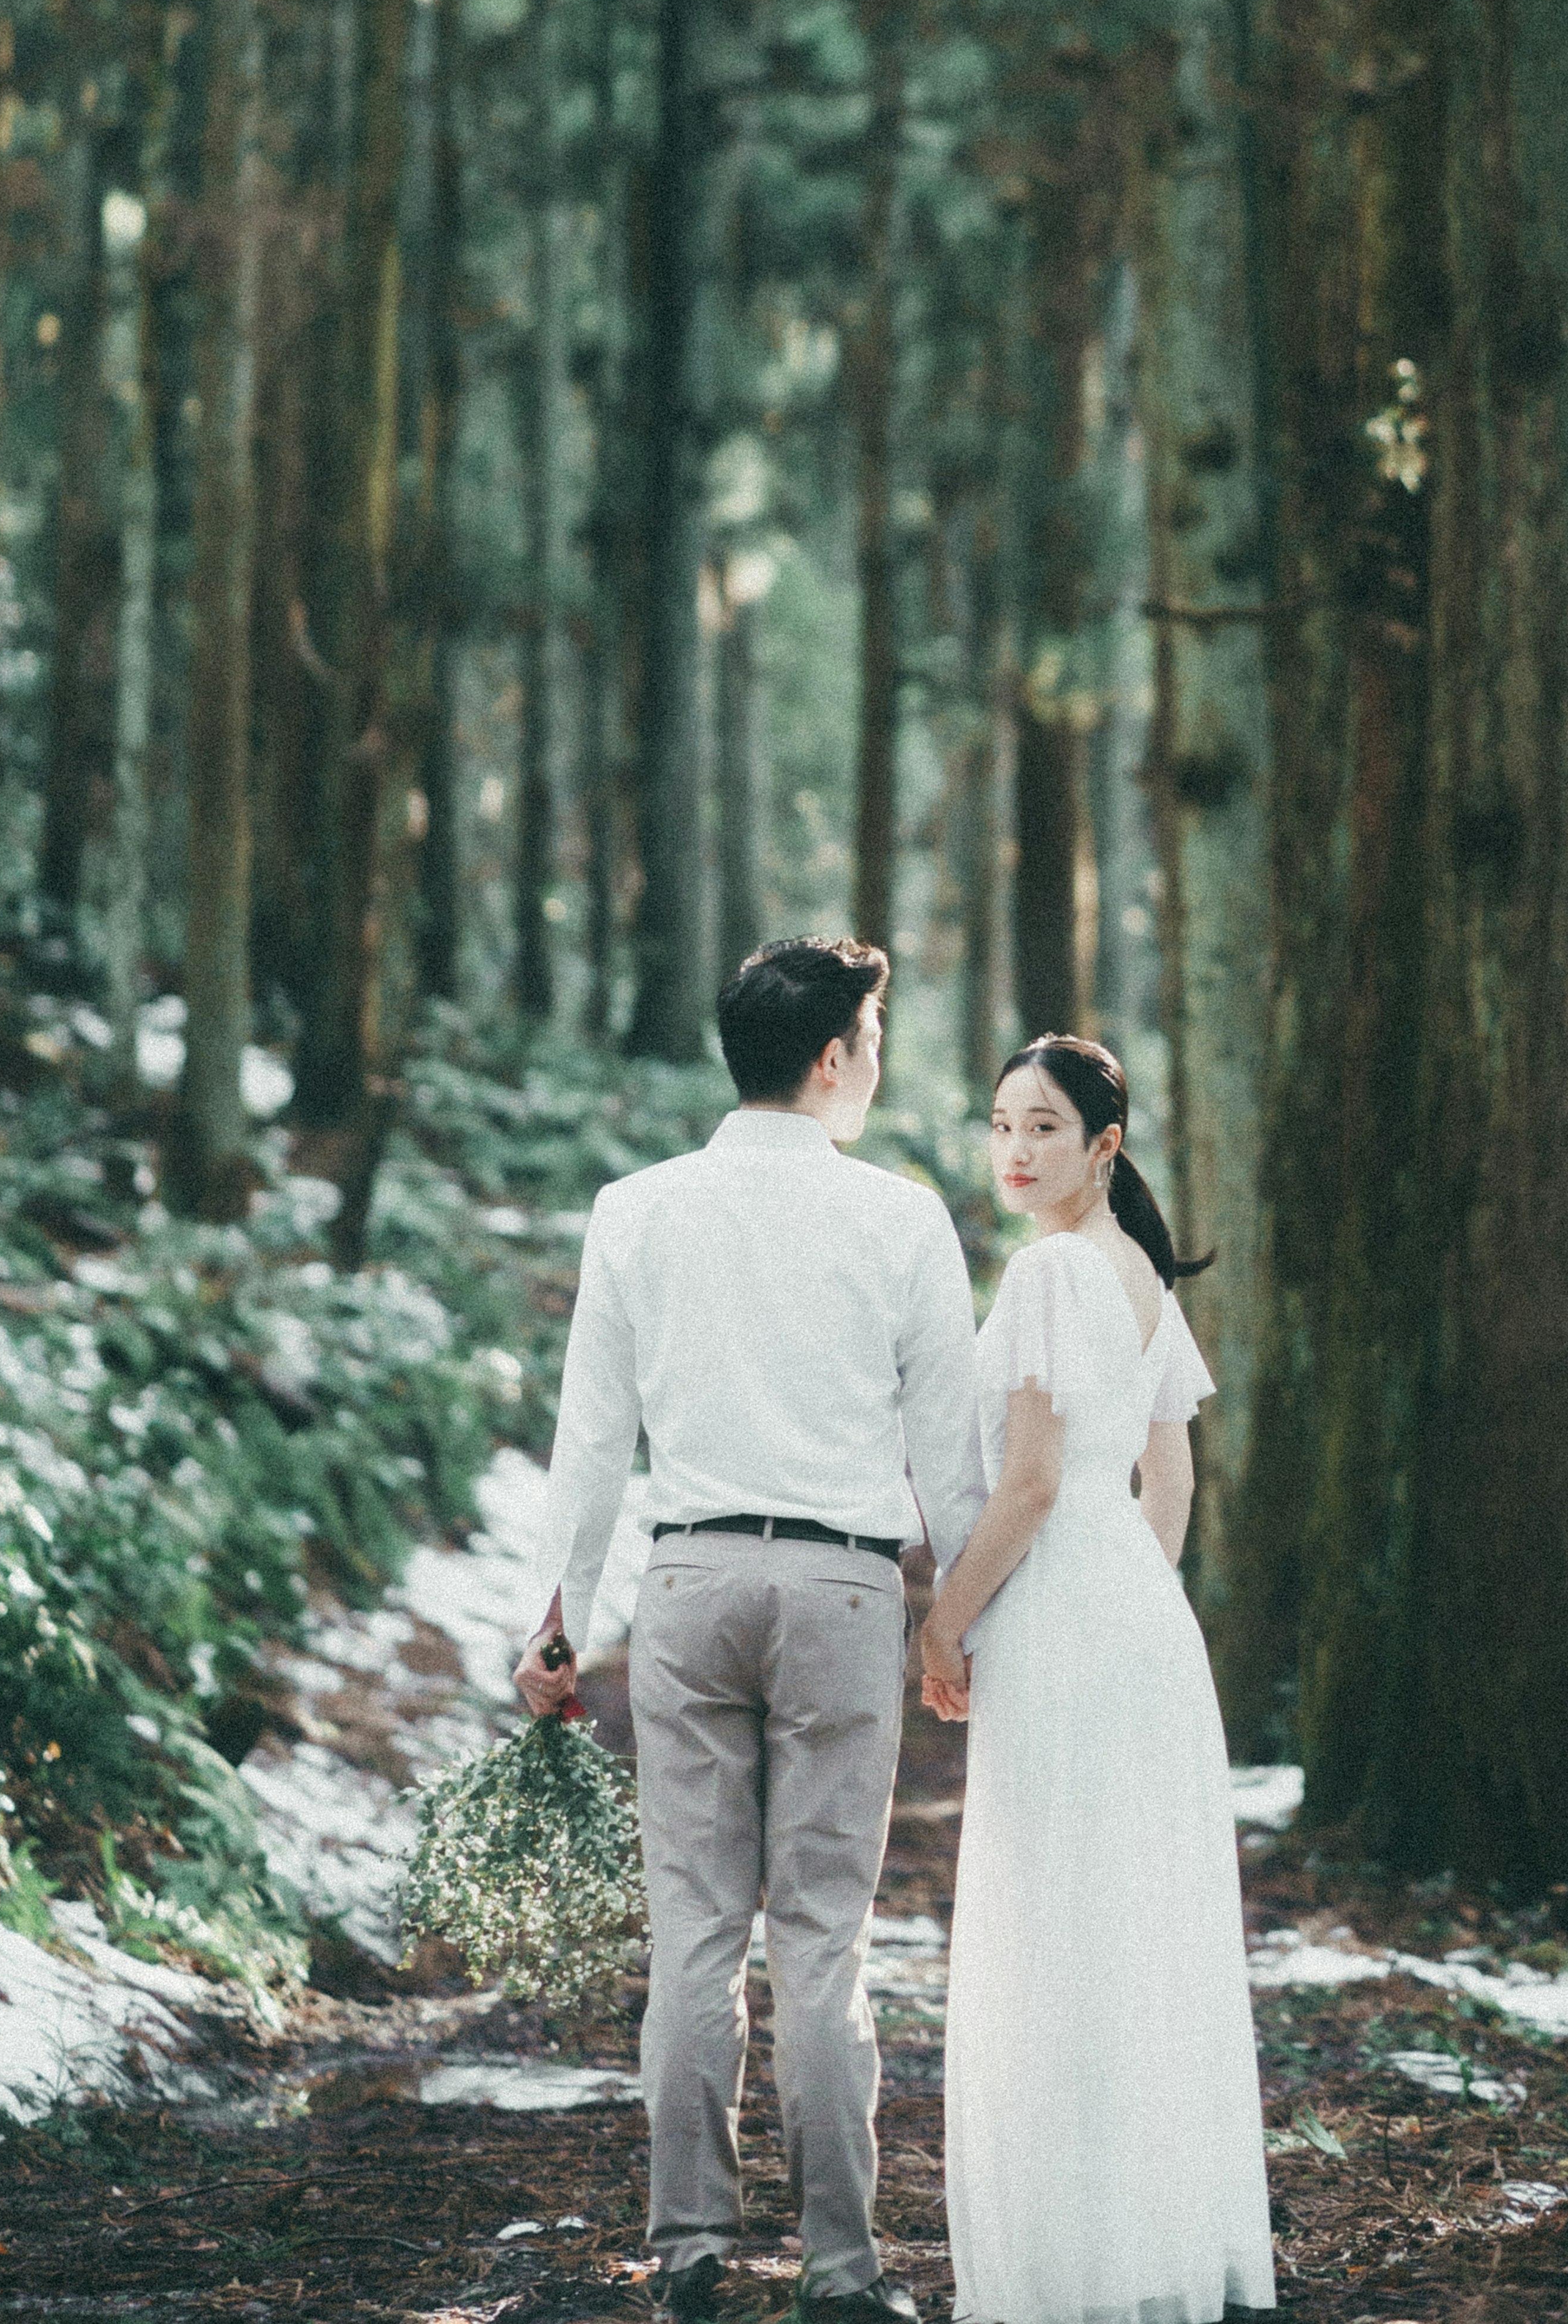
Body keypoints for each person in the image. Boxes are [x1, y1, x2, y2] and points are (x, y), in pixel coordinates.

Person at [514, 937, 983, 2324]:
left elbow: (591, 1437)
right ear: (833, 1057)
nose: (878, 1057)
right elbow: (950, 1462)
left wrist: (556, 1625)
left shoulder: (635, 1210)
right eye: (876, 1034)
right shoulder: (902, 1221)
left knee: (698, 1931)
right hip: (843, 1592)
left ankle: (692, 2253)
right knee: (826, 1937)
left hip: (691, 1586)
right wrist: (958, 1622)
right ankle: (843, 2270)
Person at [920, 1034, 1277, 2324]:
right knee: (1131, 1930)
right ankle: (1146, 2249)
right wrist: (1133, 1591)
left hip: (1069, 1610)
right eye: (1002, 1123)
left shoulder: (1056, 1267)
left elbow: (1025, 1484)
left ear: (1104, 1147)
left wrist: (944, 1624)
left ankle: (1075, 2272)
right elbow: (1169, 1482)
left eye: (1046, 1130)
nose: (1016, 1150)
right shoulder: (1140, 1274)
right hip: (1138, 1613)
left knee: (1060, 1924)